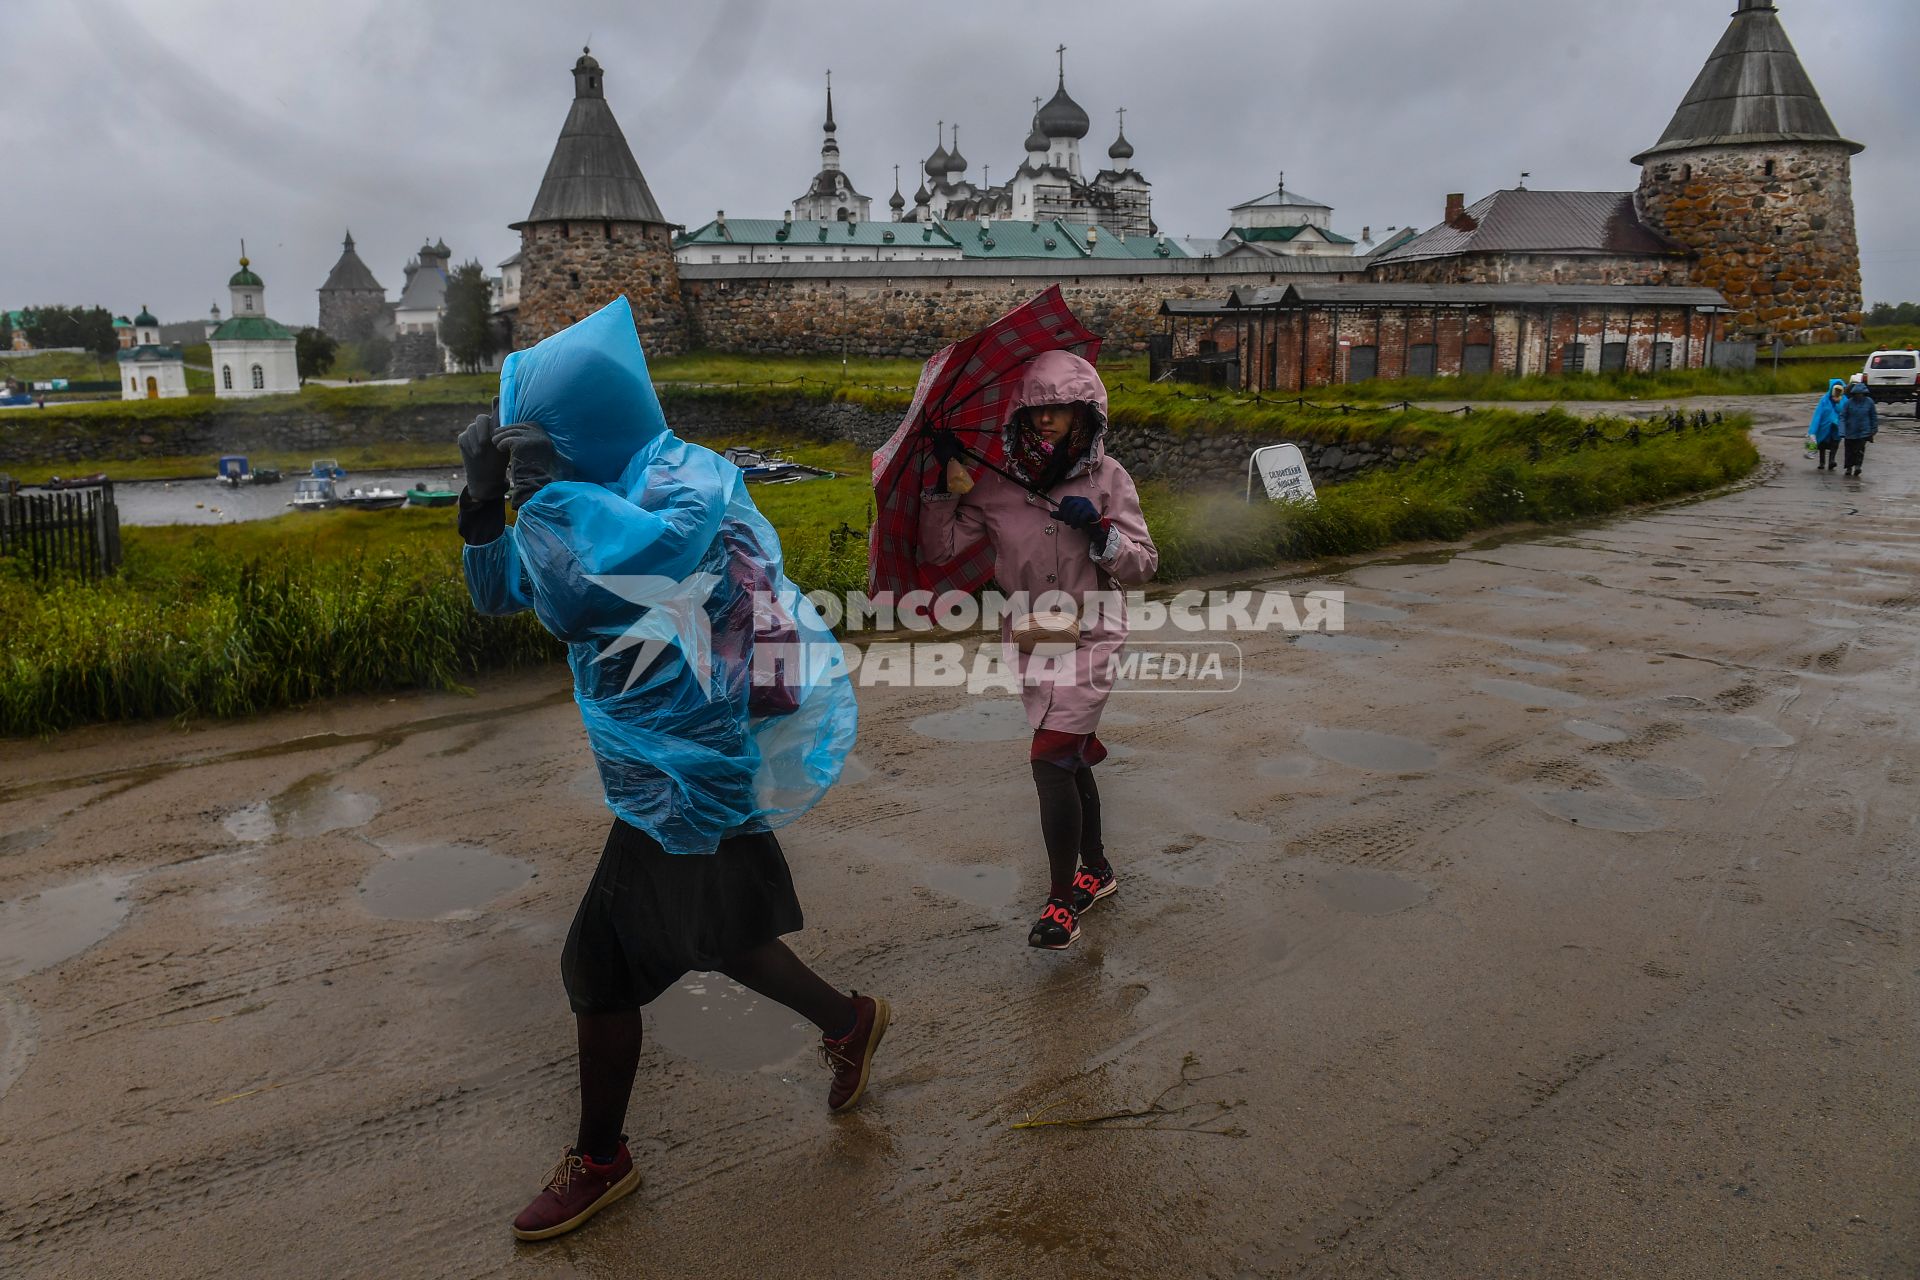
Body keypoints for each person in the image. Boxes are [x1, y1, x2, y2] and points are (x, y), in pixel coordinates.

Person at [457, 297, 886, 1242]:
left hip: (690, 774)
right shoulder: (583, 497)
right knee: (724, 933)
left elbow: (583, 594)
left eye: (535, 446)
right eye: (516, 451)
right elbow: (500, 595)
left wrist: (536, 498)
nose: (528, 467)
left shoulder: (681, 489)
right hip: (659, 769)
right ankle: (849, 1022)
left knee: (598, 966)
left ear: (586, 428)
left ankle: (601, 1160)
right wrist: (482, 499)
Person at [918, 350, 1159, 950]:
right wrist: (946, 482)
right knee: (1067, 756)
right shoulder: (997, 483)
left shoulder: (1108, 480)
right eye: (1035, 410)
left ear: (1086, 413)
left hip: (1094, 633)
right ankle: (1097, 870)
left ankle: (1060, 905)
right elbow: (941, 549)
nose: (1046, 420)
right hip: (1032, 636)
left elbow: (1145, 565)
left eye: (1059, 409)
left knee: (1049, 757)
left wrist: (1100, 531)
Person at [1839, 373, 1879, 477]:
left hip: (1863, 432)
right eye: (1857, 394)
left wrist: (1874, 429)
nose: (1859, 396)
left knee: (1860, 450)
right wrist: (1842, 431)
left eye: (1861, 394)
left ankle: (1858, 467)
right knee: (1849, 451)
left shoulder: (1869, 402)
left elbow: (1873, 416)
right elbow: (1842, 417)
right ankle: (1848, 468)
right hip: (1850, 432)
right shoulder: (1848, 403)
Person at [1808, 378, 1845, 470]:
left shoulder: (1843, 399)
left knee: (1835, 443)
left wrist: (1838, 403)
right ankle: (1822, 462)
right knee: (1822, 444)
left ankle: (1831, 461)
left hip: (1836, 428)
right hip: (1824, 427)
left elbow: (1845, 412)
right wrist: (1813, 430)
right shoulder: (1824, 400)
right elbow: (1818, 414)